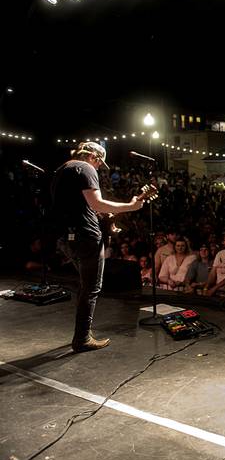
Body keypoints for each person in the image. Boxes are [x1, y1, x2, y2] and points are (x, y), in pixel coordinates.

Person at [51, 142, 144, 352]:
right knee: (91, 288)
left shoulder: (61, 170)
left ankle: (82, 334)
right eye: (100, 162)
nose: (100, 167)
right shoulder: (86, 168)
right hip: (86, 236)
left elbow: (79, 206)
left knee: (85, 286)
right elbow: (97, 203)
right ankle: (82, 338)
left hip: (66, 237)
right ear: (94, 156)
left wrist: (104, 217)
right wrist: (131, 206)